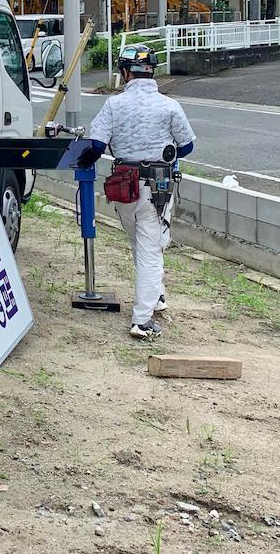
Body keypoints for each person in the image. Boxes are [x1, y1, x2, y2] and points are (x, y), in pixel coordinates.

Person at [79, 44, 195, 340]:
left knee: (140, 243)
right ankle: (142, 320)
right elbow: (187, 146)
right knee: (151, 249)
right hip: (158, 184)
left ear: (125, 73)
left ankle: (155, 297)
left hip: (124, 185)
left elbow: (95, 146)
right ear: (151, 72)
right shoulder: (169, 106)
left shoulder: (114, 106)